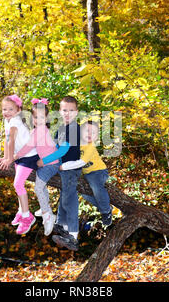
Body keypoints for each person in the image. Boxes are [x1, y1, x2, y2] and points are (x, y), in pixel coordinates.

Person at [14, 98, 69, 236]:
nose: (38, 120)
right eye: (35, 117)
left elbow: (28, 148)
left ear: (47, 118)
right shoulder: (36, 131)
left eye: (41, 117)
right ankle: (45, 207)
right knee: (40, 186)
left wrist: (15, 157)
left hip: (51, 164)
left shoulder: (41, 131)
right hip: (46, 163)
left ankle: (47, 215)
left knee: (38, 187)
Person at [39, 96, 82, 251]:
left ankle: (73, 235)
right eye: (64, 110)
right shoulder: (61, 129)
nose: (67, 113)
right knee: (63, 197)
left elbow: (63, 150)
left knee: (69, 200)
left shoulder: (74, 129)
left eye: (71, 110)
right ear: (60, 111)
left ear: (76, 113)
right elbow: (55, 148)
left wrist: (45, 160)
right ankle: (62, 227)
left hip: (71, 169)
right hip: (62, 168)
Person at [0, 94, 38, 235]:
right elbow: (7, 141)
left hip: (29, 156)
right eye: (4, 109)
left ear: (18, 110)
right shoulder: (7, 121)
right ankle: (21, 211)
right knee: (18, 185)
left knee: (17, 184)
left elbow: (12, 142)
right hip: (19, 156)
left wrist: (9, 159)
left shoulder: (15, 122)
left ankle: (27, 217)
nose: (6, 112)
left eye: (10, 109)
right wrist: (6, 157)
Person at [60, 121, 112, 226]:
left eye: (93, 133)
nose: (89, 134)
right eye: (87, 131)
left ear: (96, 137)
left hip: (98, 171)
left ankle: (106, 211)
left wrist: (64, 167)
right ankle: (104, 206)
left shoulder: (90, 147)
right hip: (87, 174)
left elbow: (82, 162)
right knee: (84, 194)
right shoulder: (77, 145)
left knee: (96, 187)